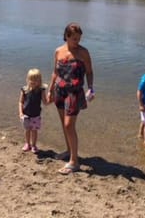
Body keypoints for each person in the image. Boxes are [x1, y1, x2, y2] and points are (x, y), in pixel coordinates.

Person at [47, 22, 94, 175]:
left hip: (74, 92)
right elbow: (55, 71)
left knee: (69, 125)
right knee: (63, 123)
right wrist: (50, 90)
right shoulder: (58, 51)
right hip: (60, 90)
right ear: (66, 37)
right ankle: (69, 151)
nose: (77, 42)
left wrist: (91, 88)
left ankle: (74, 162)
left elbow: (89, 72)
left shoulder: (83, 53)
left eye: (79, 39)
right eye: (74, 39)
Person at [18, 68, 49, 154]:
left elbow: (45, 102)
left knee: (34, 131)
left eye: (36, 80)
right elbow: (20, 102)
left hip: (36, 115)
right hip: (26, 114)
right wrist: (20, 112)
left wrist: (52, 98)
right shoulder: (24, 90)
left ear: (39, 81)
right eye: (31, 79)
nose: (33, 81)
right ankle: (27, 143)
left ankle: (34, 145)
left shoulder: (41, 91)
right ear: (28, 79)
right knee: (27, 130)